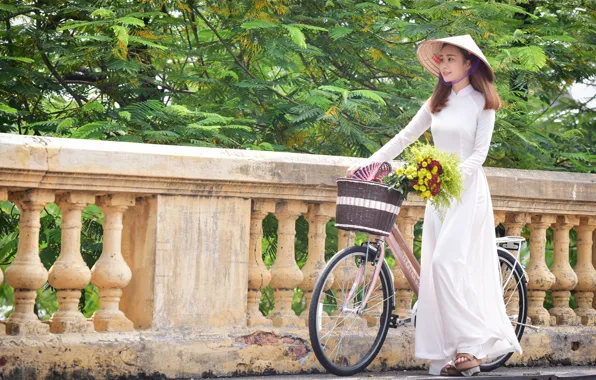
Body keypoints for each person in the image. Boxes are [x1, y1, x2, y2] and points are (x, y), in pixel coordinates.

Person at [346, 35, 523, 377]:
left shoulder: (483, 104)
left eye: (450, 59)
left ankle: (471, 344)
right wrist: (370, 164)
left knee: (445, 264)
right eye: (440, 59)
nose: (443, 64)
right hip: (439, 198)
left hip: (468, 194)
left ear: (469, 63)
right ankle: (454, 352)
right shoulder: (436, 103)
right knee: (439, 270)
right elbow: (404, 137)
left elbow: (478, 155)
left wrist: (451, 177)